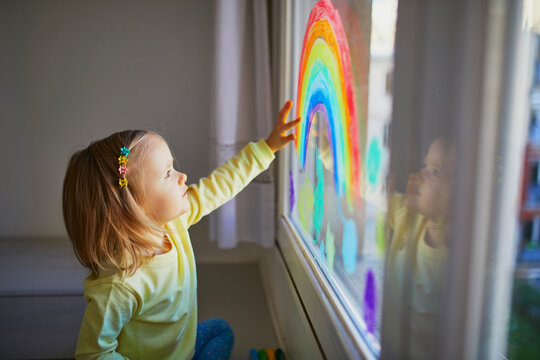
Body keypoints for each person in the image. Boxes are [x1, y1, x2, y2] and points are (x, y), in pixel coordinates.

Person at [62, 101, 301, 360]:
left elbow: (219, 185)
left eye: (172, 167)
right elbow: (92, 353)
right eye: (167, 173)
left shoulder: (172, 224)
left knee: (222, 330)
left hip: (179, 348)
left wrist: (267, 148)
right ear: (132, 206)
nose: (182, 176)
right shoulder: (120, 285)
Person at [382, 137, 455, 360]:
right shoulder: (409, 217)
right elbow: (363, 185)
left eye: (435, 171)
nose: (418, 175)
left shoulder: (456, 267)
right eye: (424, 165)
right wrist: (329, 151)